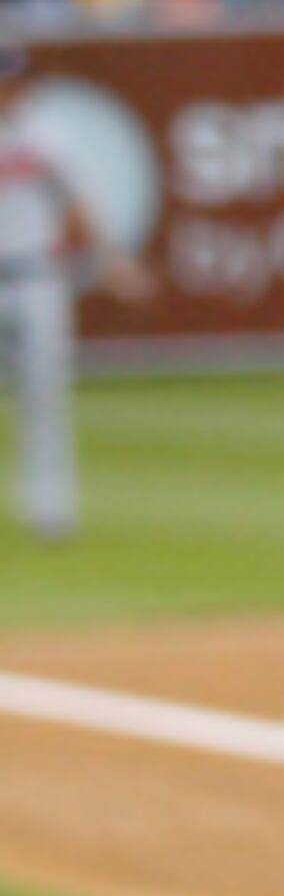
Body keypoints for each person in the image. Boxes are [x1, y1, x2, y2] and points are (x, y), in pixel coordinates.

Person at [0, 43, 149, 543]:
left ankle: (50, 510)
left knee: (44, 396)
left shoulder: (46, 134)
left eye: (16, 80)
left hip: (39, 274)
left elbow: (79, 202)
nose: (11, 89)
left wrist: (112, 261)